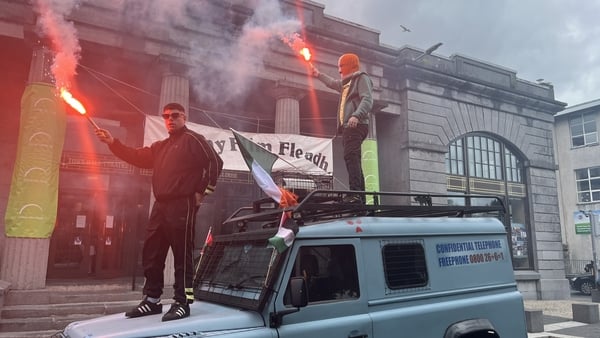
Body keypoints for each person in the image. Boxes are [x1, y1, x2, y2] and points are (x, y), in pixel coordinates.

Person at [95, 102, 223, 322]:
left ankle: (182, 302)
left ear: (184, 117)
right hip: (160, 204)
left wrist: (203, 191)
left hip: (182, 203)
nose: (170, 119)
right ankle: (152, 300)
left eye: (174, 115)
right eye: (165, 116)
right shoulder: (161, 146)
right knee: (152, 253)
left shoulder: (193, 139)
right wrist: (113, 143)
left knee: (182, 254)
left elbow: (215, 162)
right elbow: (137, 156)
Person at [311, 53, 373, 204]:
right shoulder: (347, 83)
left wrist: (356, 115)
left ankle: (355, 194)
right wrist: (318, 75)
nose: (339, 70)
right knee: (354, 158)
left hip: (355, 125)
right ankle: (359, 196)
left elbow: (368, 99)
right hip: (349, 126)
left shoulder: (361, 78)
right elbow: (333, 83)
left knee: (351, 157)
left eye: (341, 66)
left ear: (350, 65)